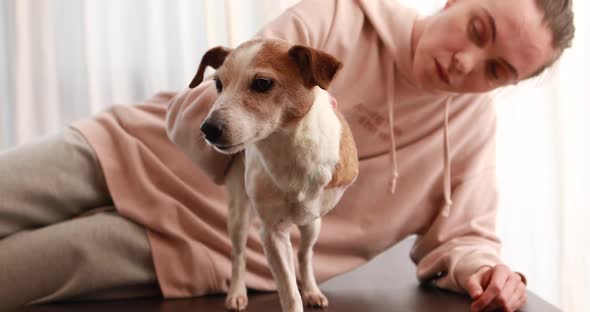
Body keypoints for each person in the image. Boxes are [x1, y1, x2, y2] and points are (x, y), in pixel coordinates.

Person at [0, 0, 574, 311]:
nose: (466, 62)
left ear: (508, 85)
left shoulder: (470, 132)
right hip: (131, 147)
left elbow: (463, 238)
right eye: (478, 28)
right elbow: (226, 90)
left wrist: (490, 273)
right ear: (455, 1)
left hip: (190, 247)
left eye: (497, 68)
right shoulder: (338, 16)